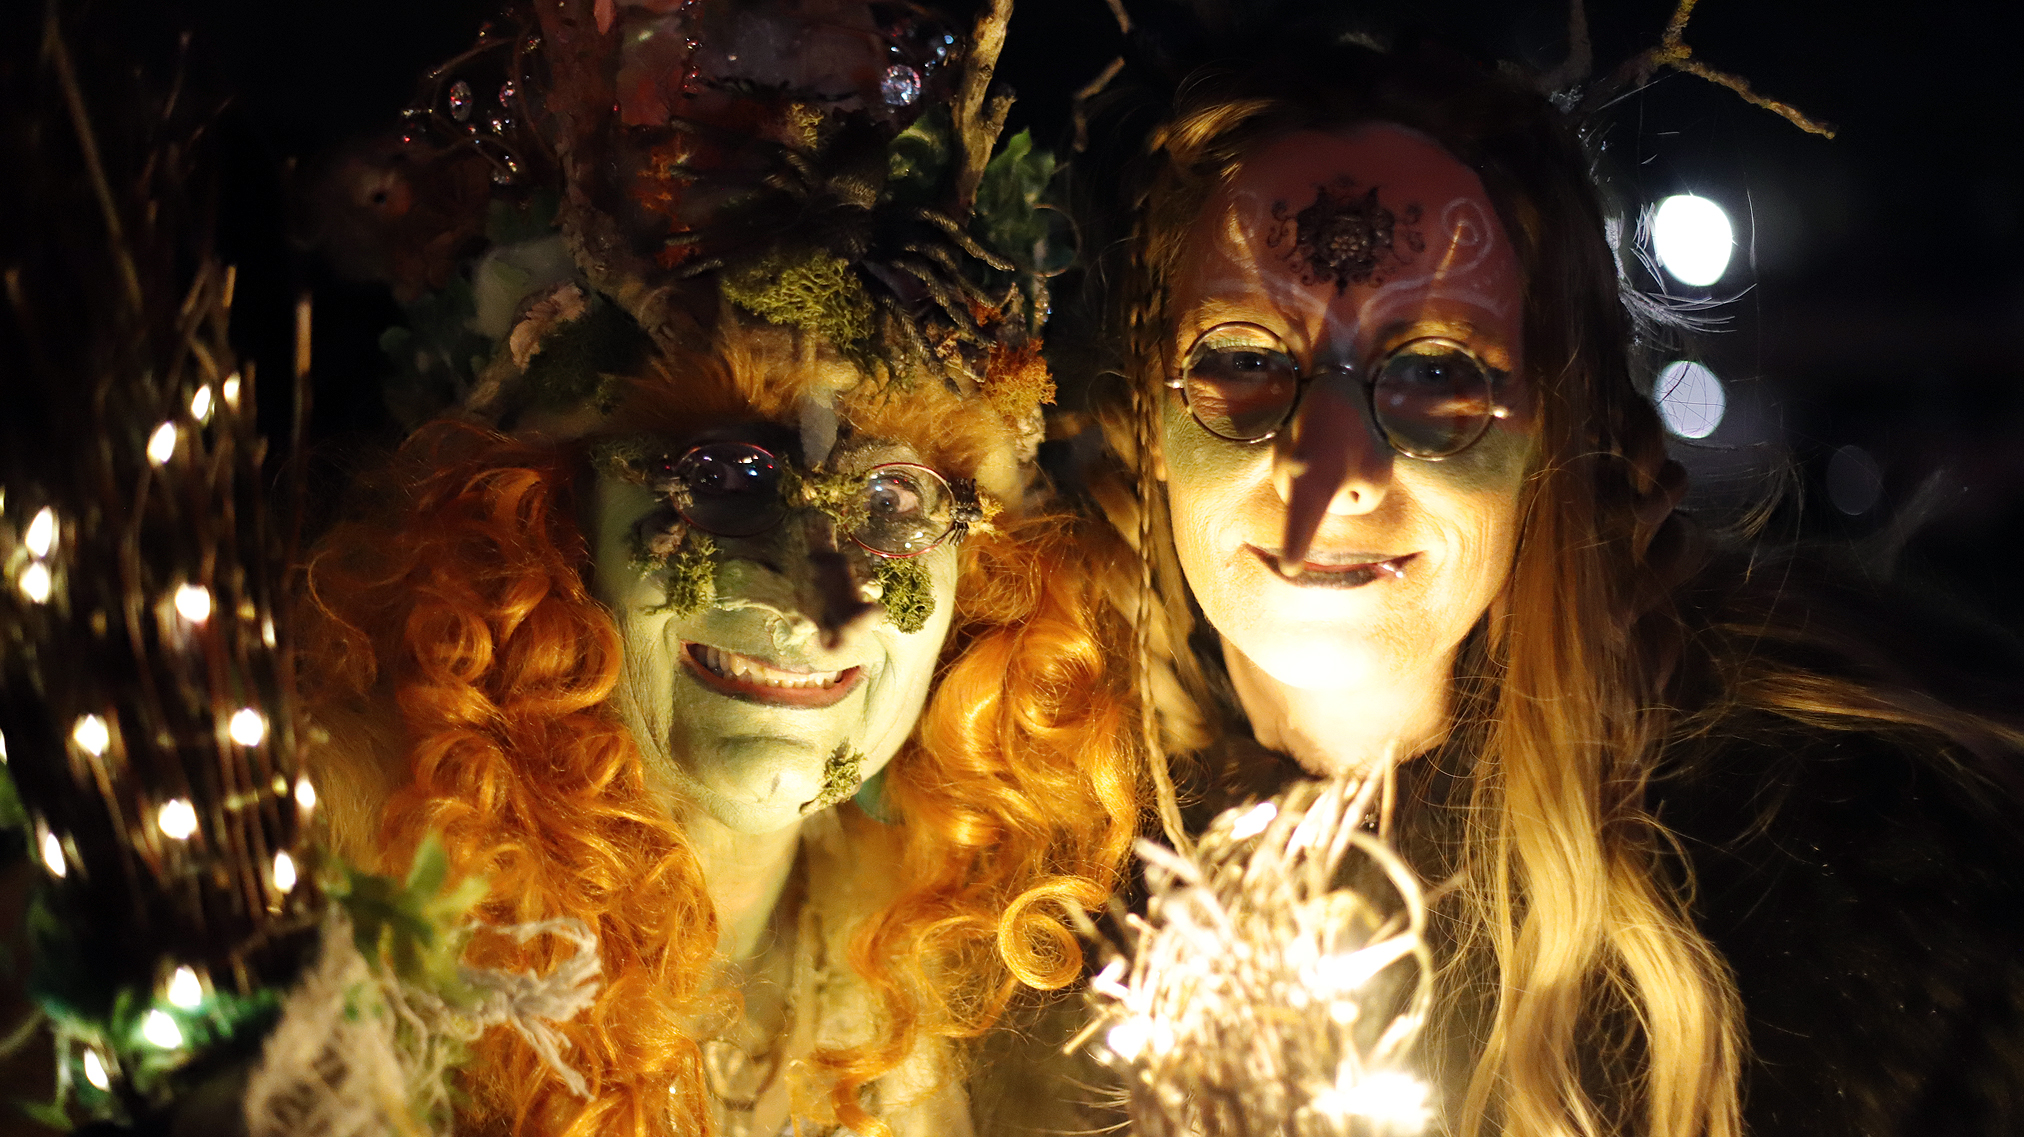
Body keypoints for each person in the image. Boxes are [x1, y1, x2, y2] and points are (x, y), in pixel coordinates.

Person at [1082, 27, 2024, 1137]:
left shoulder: (1847, 896)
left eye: (1435, 371)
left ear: (1555, 425)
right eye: (1243, 361)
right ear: (1146, 413)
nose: (1330, 471)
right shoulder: (1022, 880)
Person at [299, 2, 1138, 1134]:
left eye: (892, 502)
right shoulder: (344, 936)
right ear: (546, 527)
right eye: (726, 477)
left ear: (973, 584)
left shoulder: (944, 979)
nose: (810, 599)